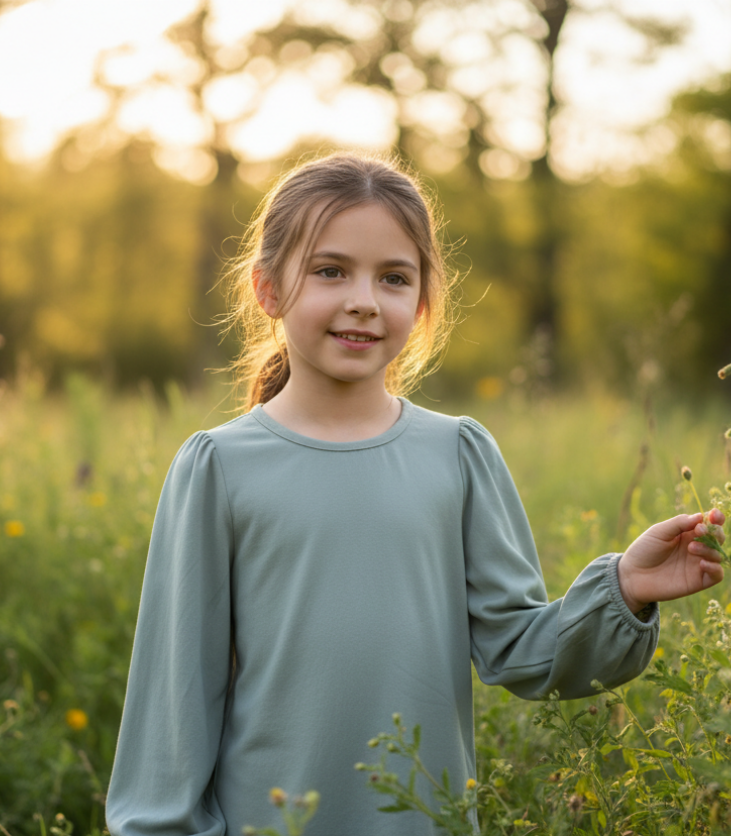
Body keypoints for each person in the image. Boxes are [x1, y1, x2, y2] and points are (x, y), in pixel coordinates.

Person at [105, 153, 726, 836]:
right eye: (330, 270)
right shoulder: (218, 466)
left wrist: (624, 588)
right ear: (267, 288)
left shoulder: (456, 453)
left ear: (423, 301)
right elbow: (175, 699)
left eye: (394, 277)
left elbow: (520, 648)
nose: (364, 300)